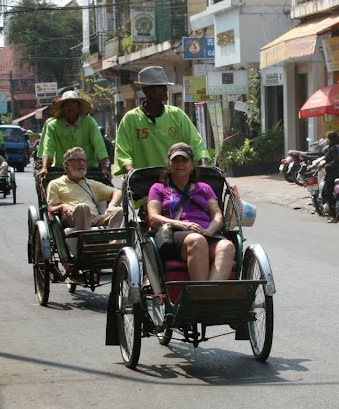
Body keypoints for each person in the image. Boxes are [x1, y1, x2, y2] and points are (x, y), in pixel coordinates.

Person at [146, 142, 235, 281]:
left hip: (206, 233)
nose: (180, 164)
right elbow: (154, 217)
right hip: (176, 235)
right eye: (175, 160)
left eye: (184, 160)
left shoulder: (204, 188)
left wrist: (210, 230)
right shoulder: (158, 188)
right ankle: (202, 296)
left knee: (227, 246)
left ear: (192, 164)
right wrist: (183, 225)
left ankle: (210, 293)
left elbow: (217, 214)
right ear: (169, 164)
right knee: (197, 241)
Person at [114, 66, 208, 173]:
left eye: (165, 86)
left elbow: (196, 141)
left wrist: (203, 162)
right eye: (160, 86)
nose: (165, 90)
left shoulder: (177, 114)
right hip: (142, 181)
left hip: (174, 179)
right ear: (146, 90)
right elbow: (122, 150)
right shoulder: (131, 119)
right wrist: (130, 169)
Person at [37, 90, 110, 181]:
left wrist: (104, 168)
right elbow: (49, 148)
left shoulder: (89, 122)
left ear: (79, 107)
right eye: (66, 104)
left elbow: (99, 145)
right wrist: (44, 167)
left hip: (87, 168)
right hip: (62, 169)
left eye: (73, 103)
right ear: (62, 108)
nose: (70, 107)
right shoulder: (53, 125)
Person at [45, 147, 124, 230]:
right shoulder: (55, 184)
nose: (82, 163)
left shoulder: (91, 184)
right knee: (82, 207)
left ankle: (116, 243)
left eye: (84, 160)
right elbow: (50, 208)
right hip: (72, 218)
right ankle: (84, 241)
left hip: (94, 219)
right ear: (67, 164)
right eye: (78, 160)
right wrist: (62, 206)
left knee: (119, 211)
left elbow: (118, 192)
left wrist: (112, 205)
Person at [322, 130, 339, 222]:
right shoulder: (329, 148)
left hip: (332, 175)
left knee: (328, 194)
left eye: (327, 138)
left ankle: (334, 216)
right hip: (331, 174)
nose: (326, 140)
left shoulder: (333, 149)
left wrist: (326, 166)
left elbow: (334, 161)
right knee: (326, 194)